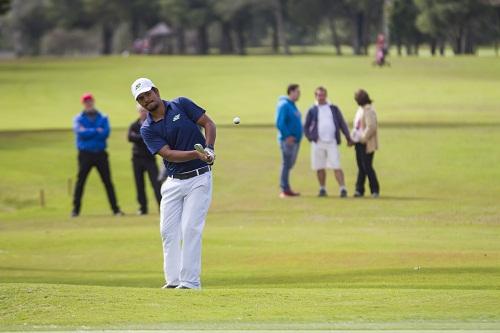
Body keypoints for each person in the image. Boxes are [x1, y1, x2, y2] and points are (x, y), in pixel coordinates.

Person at [131, 77, 216, 290]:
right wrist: (198, 153)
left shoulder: (181, 104)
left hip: (199, 179)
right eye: (141, 98)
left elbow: (208, 123)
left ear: (156, 91)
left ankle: (190, 281)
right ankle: (173, 281)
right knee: (168, 232)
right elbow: (168, 154)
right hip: (173, 182)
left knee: (190, 228)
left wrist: (209, 149)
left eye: (148, 94)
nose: (146, 100)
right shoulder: (146, 128)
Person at [71, 93, 123, 217]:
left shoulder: (103, 117)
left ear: (93, 102)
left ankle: (115, 209)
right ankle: (75, 210)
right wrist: (95, 130)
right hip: (85, 154)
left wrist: (89, 132)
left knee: (108, 182)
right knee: (80, 182)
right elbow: (81, 133)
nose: (88, 103)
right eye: (86, 102)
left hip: (100, 154)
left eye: (90, 101)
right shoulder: (78, 118)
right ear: (83, 104)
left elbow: (105, 133)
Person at [304, 86, 352, 197]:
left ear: (326, 95)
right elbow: (306, 126)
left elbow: (342, 123)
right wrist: (310, 137)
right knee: (319, 166)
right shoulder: (312, 110)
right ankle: (322, 188)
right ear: (315, 96)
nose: (320, 97)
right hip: (318, 142)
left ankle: (342, 188)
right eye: (318, 95)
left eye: (322, 95)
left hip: (331, 142)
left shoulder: (333, 108)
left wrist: (348, 137)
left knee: (336, 165)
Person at [128, 104, 162, 215]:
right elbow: (130, 137)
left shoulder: (152, 124)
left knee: (156, 184)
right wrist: (143, 137)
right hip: (137, 159)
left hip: (149, 158)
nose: (143, 113)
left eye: (145, 111)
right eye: (141, 111)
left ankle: (161, 206)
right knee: (139, 184)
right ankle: (143, 208)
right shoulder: (134, 125)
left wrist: (139, 137)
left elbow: (153, 137)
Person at [350, 89, 380, 198]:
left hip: (366, 143)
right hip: (358, 142)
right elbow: (357, 126)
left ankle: (375, 189)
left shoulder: (368, 110)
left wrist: (363, 138)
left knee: (367, 166)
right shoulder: (360, 109)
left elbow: (371, 127)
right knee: (361, 167)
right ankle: (359, 189)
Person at [275, 84, 303, 198]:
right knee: (286, 163)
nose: (299, 94)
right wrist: (287, 136)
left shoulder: (292, 105)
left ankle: (285, 187)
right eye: (297, 91)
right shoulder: (284, 105)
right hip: (288, 141)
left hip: (295, 140)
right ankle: (284, 189)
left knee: (289, 164)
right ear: (291, 92)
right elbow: (280, 122)